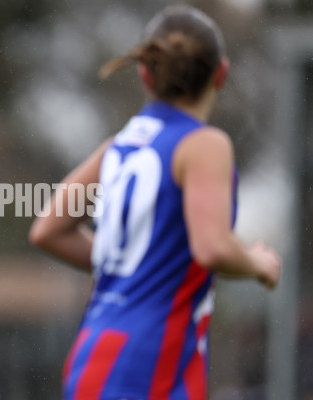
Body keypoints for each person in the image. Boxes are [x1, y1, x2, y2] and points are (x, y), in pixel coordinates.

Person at [29, 5, 281, 400]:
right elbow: (212, 245)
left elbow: (48, 229)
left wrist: (133, 264)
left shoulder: (119, 147)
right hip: (148, 361)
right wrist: (259, 263)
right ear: (222, 73)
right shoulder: (203, 144)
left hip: (93, 352)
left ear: (145, 73)